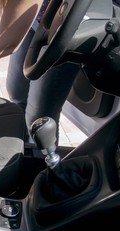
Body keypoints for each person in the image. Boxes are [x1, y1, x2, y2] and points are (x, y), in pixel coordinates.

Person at [6, 0, 79, 141]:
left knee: (39, 118)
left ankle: (42, 160)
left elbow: (1, 44)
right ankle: (22, 150)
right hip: (34, 22)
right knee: (16, 93)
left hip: (63, 30)